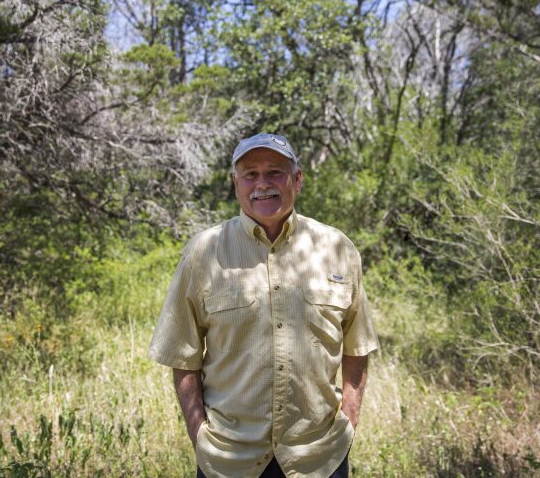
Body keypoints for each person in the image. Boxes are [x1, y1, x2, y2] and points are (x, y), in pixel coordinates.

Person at [147, 133, 379, 478]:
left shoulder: (338, 249)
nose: (263, 184)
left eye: (275, 172)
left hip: (319, 458)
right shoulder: (203, 253)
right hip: (229, 461)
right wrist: (200, 436)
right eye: (250, 174)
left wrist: (349, 421)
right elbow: (183, 355)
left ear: (297, 179)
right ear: (235, 183)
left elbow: (357, 346)